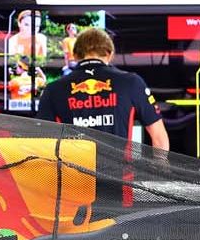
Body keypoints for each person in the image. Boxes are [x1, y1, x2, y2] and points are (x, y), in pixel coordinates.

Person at [37, 27, 170, 150]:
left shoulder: (53, 89)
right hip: (119, 175)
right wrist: (158, 172)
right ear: (110, 54)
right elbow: (159, 137)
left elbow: (41, 143)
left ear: (76, 55)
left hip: (73, 174)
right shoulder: (132, 82)